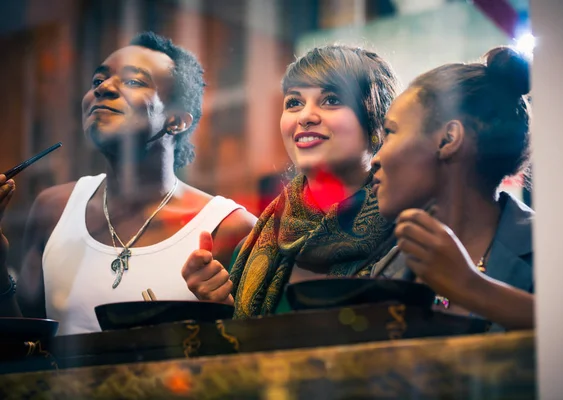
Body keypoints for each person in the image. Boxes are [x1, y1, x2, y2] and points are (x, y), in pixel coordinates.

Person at [0, 32, 256, 335]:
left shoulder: (230, 227)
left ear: (177, 120)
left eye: (134, 81)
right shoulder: (53, 209)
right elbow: (24, 343)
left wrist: (226, 315)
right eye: (98, 81)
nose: (104, 88)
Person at [181, 45, 399, 318]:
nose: (305, 116)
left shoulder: (409, 236)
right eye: (294, 102)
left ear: (377, 124)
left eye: (331, 99)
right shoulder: (251, 249)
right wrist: (219, 309)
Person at [371, 46, 534, 331]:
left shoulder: (555, 251)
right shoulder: (390, 268)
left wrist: (470, 286)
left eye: (390, 132)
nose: (375, 159)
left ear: (448, 140)